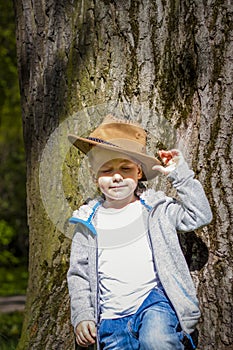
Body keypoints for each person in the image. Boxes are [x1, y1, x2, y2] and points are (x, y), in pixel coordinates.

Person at [67, 115, 212, 350]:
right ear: (95, 176)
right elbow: (79, 274)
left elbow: (200, 215)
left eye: (125, 168)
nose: (116, 176)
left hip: (154, 302)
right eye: (107, 170)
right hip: (110, 318)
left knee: (157, 342)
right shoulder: (87, 221)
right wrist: (83, 314)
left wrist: (180, 175)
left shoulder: (156, 209)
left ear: (139, 173)